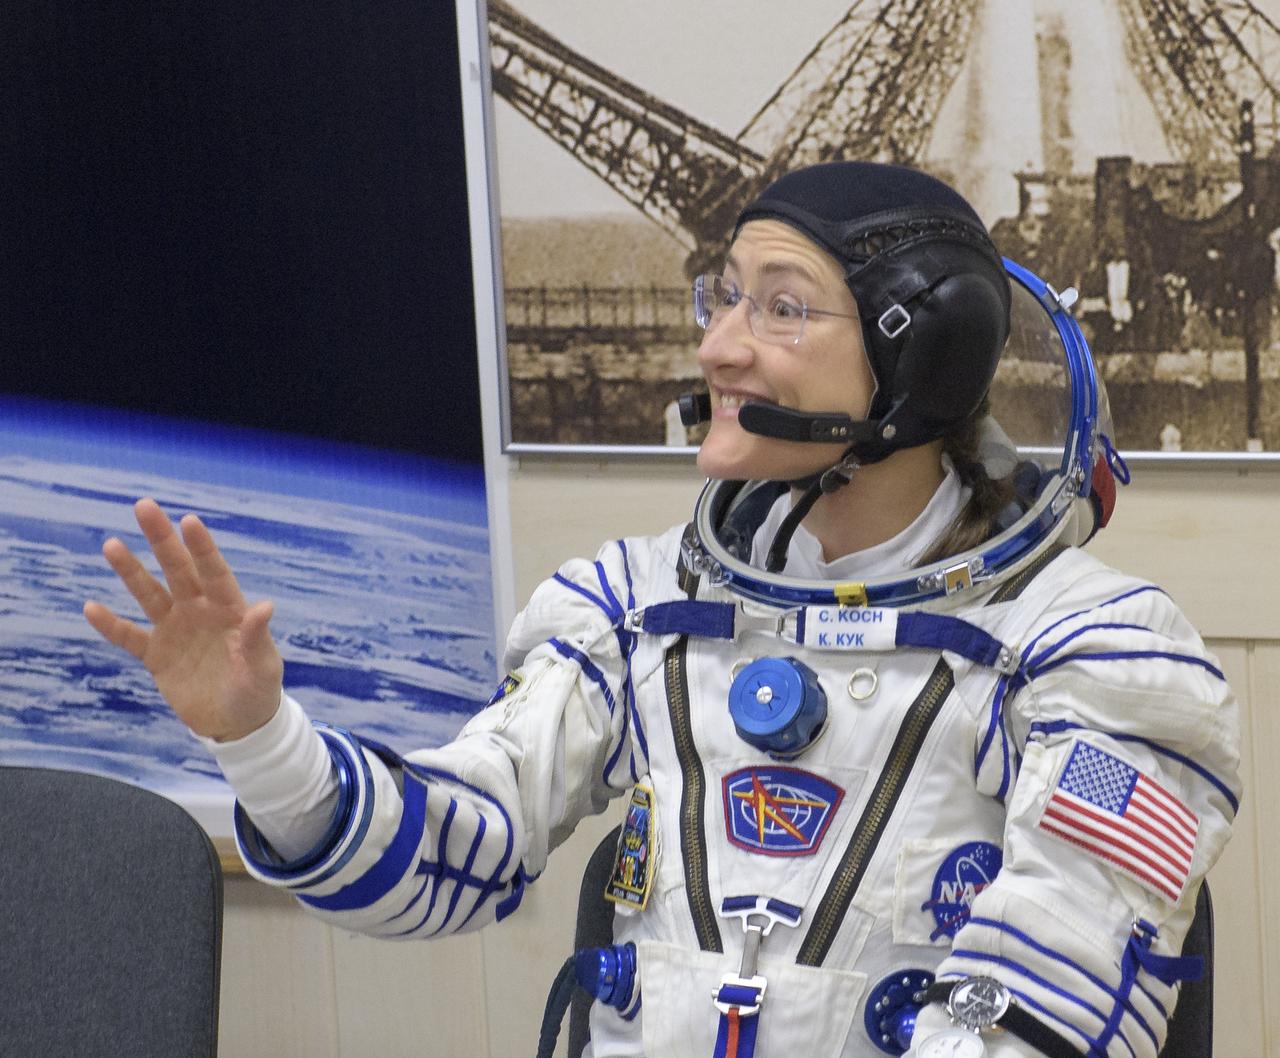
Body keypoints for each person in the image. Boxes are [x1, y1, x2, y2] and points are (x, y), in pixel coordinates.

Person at [84, 161, 1240, 1058]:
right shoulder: (636, 607)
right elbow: (452, 853)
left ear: (918, 357)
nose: (716, 344)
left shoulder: (1092, 655)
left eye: (779, 309)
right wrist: (259, 737)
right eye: (724, 295)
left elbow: (1052, 1004)